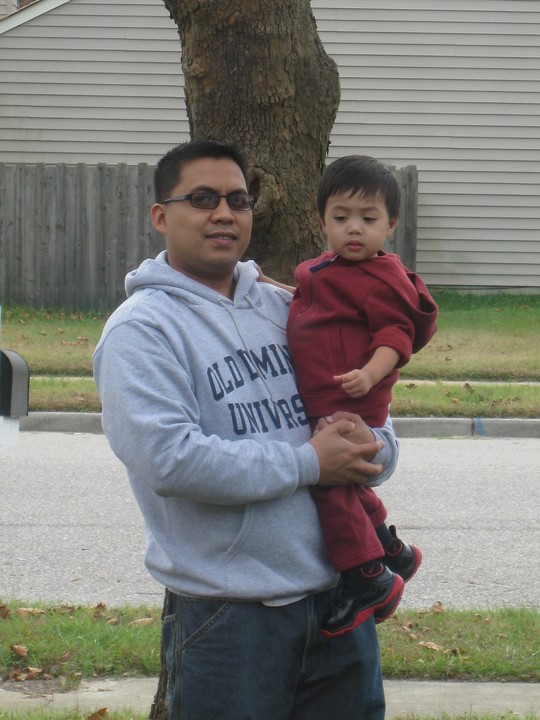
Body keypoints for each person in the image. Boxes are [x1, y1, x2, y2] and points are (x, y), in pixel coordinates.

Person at [93, 140, 400, 720]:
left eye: (238, 200)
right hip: (229, 620)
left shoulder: (292, 305)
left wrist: (376, 449)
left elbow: (371, 414)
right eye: (202, 199)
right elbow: (169, 460)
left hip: (339, 604)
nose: (224, 213)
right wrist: (310, 463)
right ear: (161, 216)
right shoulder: (141, 331)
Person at [262, 155, 437, 638]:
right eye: (341, 217)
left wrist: (369, 373)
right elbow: (311, 303)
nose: (353, 228)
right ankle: (392, 551)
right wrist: (270, 288)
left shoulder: (380, 279)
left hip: (352, 397)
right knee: (349, 484)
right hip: (331, 394)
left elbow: (395, 337)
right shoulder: (330, 270)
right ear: (322, 221)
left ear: (390, 225)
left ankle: (366, 577)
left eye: (368, 218)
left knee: (329, 482)